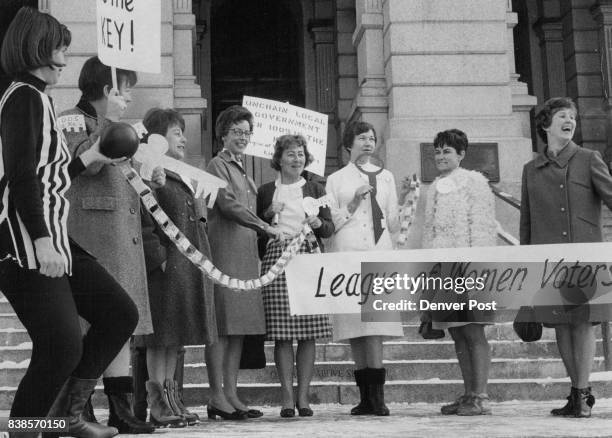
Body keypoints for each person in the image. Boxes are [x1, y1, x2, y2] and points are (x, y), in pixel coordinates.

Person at [0, 7, 138, 438]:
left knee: (118, 313)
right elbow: (21, 175)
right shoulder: (25, 96)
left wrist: (89, 158)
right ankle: (25, 431)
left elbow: (48, 176)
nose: (64, 59)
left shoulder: (33, 96)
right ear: (37, 46)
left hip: (54, 237)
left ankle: (68, 416)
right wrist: (41, 240)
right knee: (60, 346)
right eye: (60, 48)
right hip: (25, 242)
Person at [58, 56, 161, 434]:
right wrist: (112, 127)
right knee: (94, 324)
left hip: (122, 233)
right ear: (107, 89)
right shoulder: (71, 119)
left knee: (121, 327)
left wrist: (151, 167)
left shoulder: (122, 126)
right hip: (92, 234)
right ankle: (78, 410)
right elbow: (76, 161)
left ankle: (120, 410)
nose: (129, 98)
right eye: (125, 90)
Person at [520, 97, 612, 418]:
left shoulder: (589, 159)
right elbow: (527, 223)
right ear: (546, 125)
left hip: (586, 258)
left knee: (583, 323)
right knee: (560, 324)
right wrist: (528, 269)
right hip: (548, 261)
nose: (569, 120)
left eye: (572, 116)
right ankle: (577, 393)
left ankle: (583, 393)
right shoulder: (530, 170)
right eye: (562, 116)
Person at [139, 108, 217, 427]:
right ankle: (157, 405)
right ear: (158, 138)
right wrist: (158, 257)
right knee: (159, 340)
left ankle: (172, 399)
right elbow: (143, 217)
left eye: (182, 132)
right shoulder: (149, 171)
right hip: (163, 269)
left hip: (184, 268)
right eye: (176, 132)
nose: (183, 138)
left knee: (175, 339)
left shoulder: (181, 172)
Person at [326, 120, 410, 416]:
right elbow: (330, 222)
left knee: (375, 324)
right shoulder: (336, 179)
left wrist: (408, 200)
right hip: (349, 254)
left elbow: (393, 222)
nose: (367, 142)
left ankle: (378, 397)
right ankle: (365, 396)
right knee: (355, 326)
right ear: (349, 143)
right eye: (361, 138)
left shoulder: (386, 177)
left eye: (371, 138)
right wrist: (352, 203)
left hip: (378, 253)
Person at [205, 105, 282, 420]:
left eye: (247, 132)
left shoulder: (243, 169)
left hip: (244, 254)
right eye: (236, 131)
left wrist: (268, 219)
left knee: (237, 329)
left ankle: (231, 393)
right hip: (224, 252)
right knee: (222, 328)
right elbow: (227, 203)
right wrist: (263, 226)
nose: (242, 137)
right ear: (223, 133)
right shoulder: (216, 164)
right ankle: (216, 395)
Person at [257, 134, 334, 418]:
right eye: (290, 154)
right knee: (281, 334)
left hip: (309, 258)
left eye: (301, 154)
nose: (296, 159)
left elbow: (329, 228)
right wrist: (268, 215)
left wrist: (318, 222)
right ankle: (287, 398)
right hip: (277, 260)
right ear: (279, 158)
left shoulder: (316, 187)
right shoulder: (266, 191)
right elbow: (258, 230)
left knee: (309, 333)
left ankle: (303, 398)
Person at [422, 129, 497, 416]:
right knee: (457, 334)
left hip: (469, 269)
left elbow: (482, 227)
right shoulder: (433, 187)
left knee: (473, 331)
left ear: (461, 154)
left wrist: (477, 271)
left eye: (447, 151)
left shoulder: (474, 182)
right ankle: (467, 394)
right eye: (438, 151)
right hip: (443, 271)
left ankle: (481, 395)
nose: (441, 157)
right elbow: (429, 233)